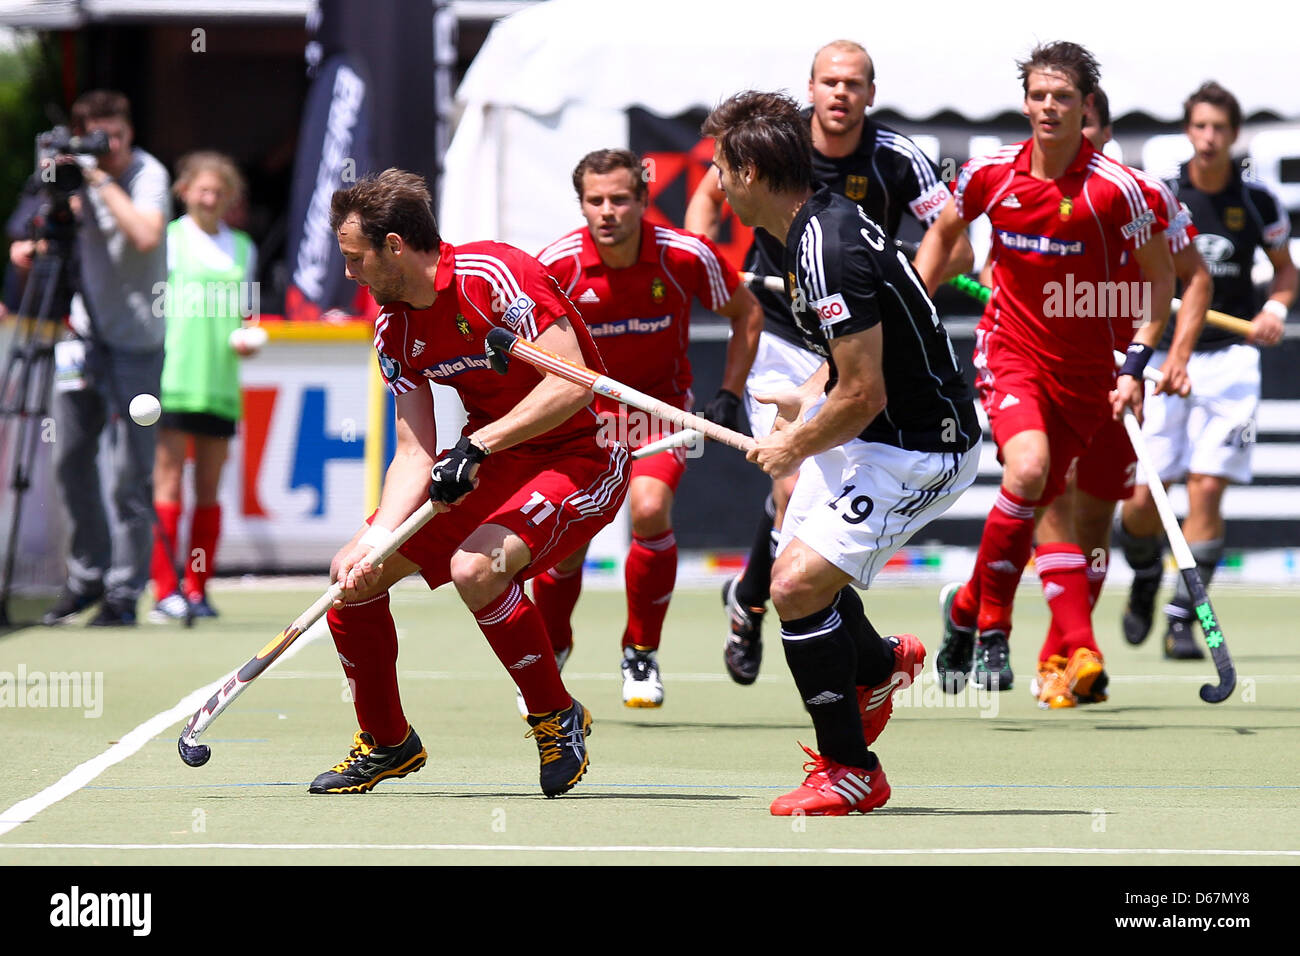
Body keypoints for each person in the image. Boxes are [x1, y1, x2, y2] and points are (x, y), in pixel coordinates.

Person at [702, 90, 981, 815]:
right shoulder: (814, 226)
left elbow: (865, 393)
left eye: (722, 169)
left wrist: (793, 441)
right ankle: (883, 666)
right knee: (804, 561)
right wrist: (802, 396)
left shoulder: (824, 243)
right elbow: (855, 353)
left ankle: (851, 770)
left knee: (792, 586)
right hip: (873, 435)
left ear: (754, 171)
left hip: (921, 449)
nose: (717, 183)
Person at [313, 169, 630, 797]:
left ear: (395, 247)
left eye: (355, 260)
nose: (349, 274)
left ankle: (554, 715)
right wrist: (374, 538)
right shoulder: (393, 327)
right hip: (493, 458)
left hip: (583, 451)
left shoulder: (495, 276)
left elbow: (571, 381)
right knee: (353, 578)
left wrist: (480, 442)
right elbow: (414, 449)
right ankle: (387, 741)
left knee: (475, 568)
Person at [914, 41, 1175, 702]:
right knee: (1028, 474)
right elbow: (947, 233)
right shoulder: (988, 174)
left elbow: (1161, 279)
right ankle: (997, 627)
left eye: (1062, 97)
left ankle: (969, 605)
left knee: (1042, 507)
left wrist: (1138, 363)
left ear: (1085, 105)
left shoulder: (1118, 190)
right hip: (1010, 353)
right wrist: (916, 304)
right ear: (1025, 101)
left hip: (1087, 375)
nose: (1049, 108)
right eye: (1038, 96)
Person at [534, 148, 762, 709]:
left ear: (642, 200)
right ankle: (550, 649)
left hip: (656, 414)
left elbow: (747, 314)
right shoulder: (555, 264)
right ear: (582, 204)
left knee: (651, 507)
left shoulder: (685, 256)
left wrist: (730, 393)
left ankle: (641, 652)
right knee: (566, 544)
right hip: (579, 418)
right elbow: (527, 346)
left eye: (620, 199)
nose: (607, 211)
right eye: (595, 200)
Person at [1028, 88, 1211, 706]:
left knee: (1096, 521)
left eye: (1084, 123)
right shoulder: (1032, 189)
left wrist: (1172, 358)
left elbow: (1196, 276)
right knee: (1053, 499)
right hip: (1054, 372)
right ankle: (1067, 656)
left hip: (1121, 375)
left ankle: (1063, 655)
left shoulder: (1145, 195)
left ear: (1098, 127)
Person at [1117, 81, 1296, 659]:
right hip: (1169, 359)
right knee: (1143, 505)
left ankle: (1179, 619)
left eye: (1220, 128)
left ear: (1234, 134)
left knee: (1208, 489)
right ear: (1188, 132)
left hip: (1232, 362)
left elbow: (1285, 272)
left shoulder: (1259, 203)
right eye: (1200, 127)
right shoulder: (1164, 199)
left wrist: (1274, 308)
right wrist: (1165, 356)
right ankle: (1146, 577)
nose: (1210, 138)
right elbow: (1141, 277)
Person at [29, 90, 171, 627]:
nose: (105, 146)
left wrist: (97, 177)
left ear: (129, 132)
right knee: (69, 459)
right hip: (81, 336)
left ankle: (122, 592)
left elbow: (144, 234)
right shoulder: (71, 174)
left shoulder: (145, 174)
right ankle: (85, 579)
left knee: (128, 475)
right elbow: (40, 235)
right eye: (95, 136)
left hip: (136, 342)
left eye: (113, 135)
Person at [149, 152, 261, 623]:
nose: (209, 198)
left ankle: (197, 588)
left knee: (210, 489)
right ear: (185, 191)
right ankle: (163, 591)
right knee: (169, 480)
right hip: (174, 379)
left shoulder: (243, 247)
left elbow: (248, 315)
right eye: (202, 189)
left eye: (218, 191)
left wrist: (249, 338)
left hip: (220, 384)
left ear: (229, 197)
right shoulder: (168, 240)